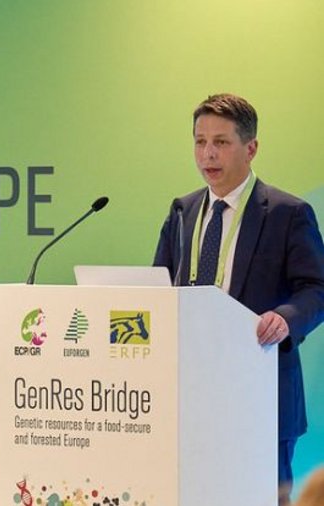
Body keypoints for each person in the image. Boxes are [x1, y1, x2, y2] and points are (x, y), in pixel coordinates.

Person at [153, 94, 324, 505]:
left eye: (221, 142)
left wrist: (285, 318)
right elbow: (159, 285)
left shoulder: (286, 213)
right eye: (199, 141)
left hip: (261, 392)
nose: (207, 153)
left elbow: (316, 289)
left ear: (251, 148)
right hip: (191, 395)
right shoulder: (183, 211)